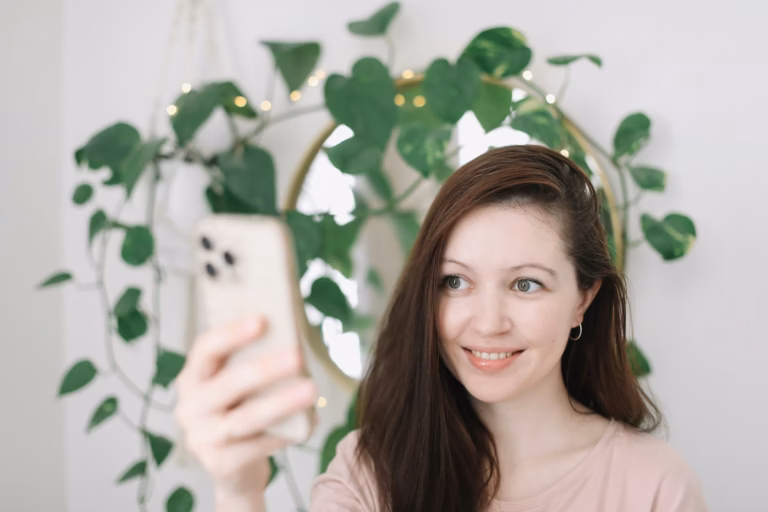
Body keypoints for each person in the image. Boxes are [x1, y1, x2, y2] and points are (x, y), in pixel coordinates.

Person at [175, 145, 709, 511]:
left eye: (526, 285)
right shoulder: (370, 472)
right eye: (455, 282)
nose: (487, 322)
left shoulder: (653, 486)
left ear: (583, 301)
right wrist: (239, 490)